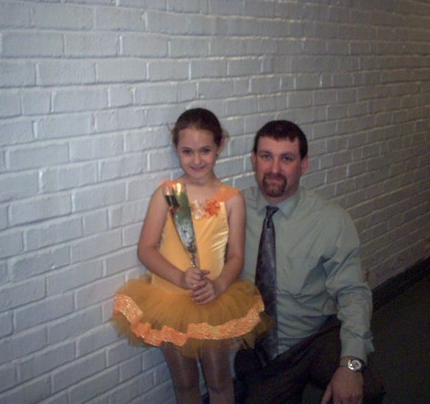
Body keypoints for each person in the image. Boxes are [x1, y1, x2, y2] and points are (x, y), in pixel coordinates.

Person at [112, 108, 268, 404]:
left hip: (212, 301)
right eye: (187, 152)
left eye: (205, 150)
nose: (196, 160)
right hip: (168, 299)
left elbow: (236, 256)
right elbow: (146, 249)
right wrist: (180, 277)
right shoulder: (168, 194)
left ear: (220, 146)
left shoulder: (232, 199)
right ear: (177, 150)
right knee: (184, 383)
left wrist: (219, 285)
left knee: (219, 381)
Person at [235, 120, 385, 404]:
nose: (274, 169)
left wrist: (351, 364)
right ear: (254, 159)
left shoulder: (330, 220)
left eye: (287, 159)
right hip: (261, 348)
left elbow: (353, 293)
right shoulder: (233, 210)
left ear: (303, 165)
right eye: (266, 156)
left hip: (314, 336)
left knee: (365, 390)